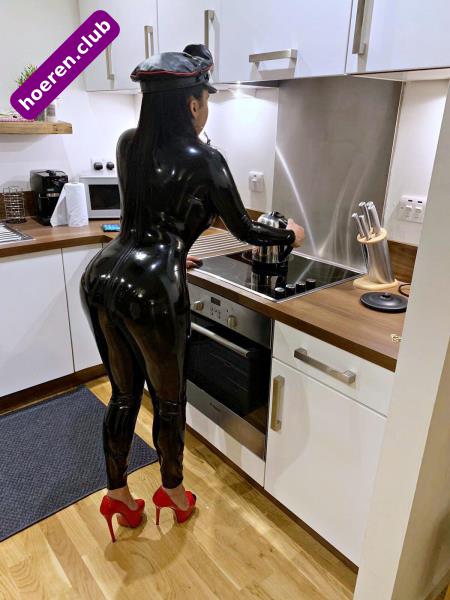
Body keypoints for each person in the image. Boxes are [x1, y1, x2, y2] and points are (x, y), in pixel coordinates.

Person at [81, 44, 304, 543]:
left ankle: (118, 495)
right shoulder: (206, 159)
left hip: (103, 275)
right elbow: (247, 231)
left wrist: (176, 249)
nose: (206, 109)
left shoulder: (127, 144)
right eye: (206, 100)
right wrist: (288, 234)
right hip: (153, 289)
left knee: (123, 394)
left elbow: (147, 214)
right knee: (169, 402)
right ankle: (175, 493)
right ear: (192, 103)